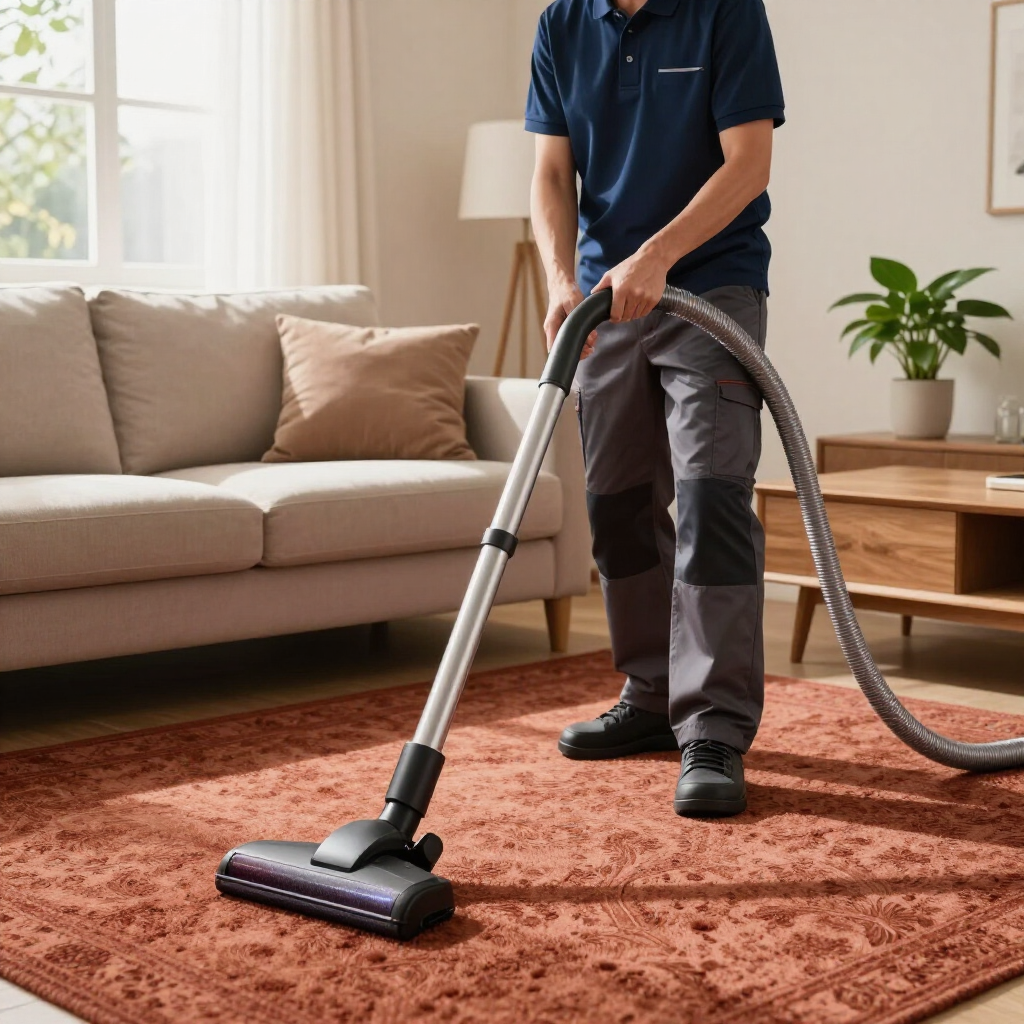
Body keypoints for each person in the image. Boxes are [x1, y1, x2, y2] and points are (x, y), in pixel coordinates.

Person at [526, 0, 785, 817]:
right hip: (606, 301)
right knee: (617, 506)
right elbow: (550, 172)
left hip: (712, 287)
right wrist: (560, 279)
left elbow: (748, 163)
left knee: (712, 499)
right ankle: (650, 693)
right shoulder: (561, 24)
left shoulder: (726, 11)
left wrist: (658, 255)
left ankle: (713, 724)